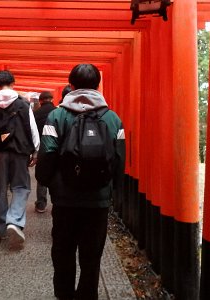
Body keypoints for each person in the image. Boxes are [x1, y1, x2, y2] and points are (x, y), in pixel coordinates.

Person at [36, 64, 126, 300]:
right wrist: (111, 190)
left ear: (71, 86)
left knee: (63, 252)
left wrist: (47, 183)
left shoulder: (57, 115)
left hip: (65, 199)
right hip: (98, 199)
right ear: (98, 86)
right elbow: (119, 158)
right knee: (92, 256)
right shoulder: (113, 119)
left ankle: (64, 295)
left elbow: (47, 154)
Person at [0, 70, 40, 249]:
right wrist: (35, 151)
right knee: (21, 187)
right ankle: (14, 220)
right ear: (13, 83)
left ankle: (0, 229)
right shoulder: (22, 104)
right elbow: (32, 127)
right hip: (20, 152)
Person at [33, 91, 56, 213]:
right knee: (56, 173)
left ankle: (41, 204)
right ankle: (57, 202)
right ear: (52, 99)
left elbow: (32, 132)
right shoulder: (58, 112)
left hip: (42, 147)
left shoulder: (36, 113)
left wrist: (33, 152)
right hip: (57, 147)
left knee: (42, 175)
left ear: (41, 101)